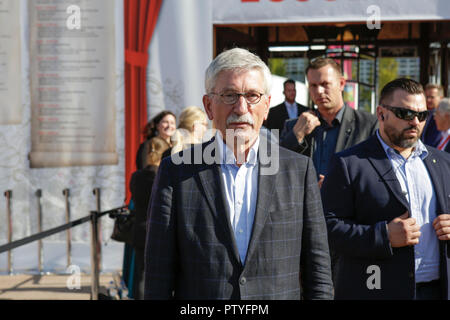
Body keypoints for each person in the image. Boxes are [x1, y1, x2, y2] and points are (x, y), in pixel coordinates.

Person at [144, 47, 333, 300]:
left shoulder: (299, 170)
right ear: (209, 106)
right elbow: (158, 277)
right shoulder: (176, 172)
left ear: (266, 107)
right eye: (230, 95)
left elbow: (318, 271)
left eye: (253, 95)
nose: (241, 107)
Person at [321, 78, 450, 300]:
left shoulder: (443, 162)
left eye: (422, 115)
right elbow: (326, 228)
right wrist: (384, 236)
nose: (416, 122)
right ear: (381, 114)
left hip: (436, 289)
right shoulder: (349, 163)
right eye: (406, 114)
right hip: (376, 290)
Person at [280, 58, 378, 187]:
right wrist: (297, 135)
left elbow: (377, 172)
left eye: (325, 84)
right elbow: (275, 168)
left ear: (341, 84)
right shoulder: (294, 126)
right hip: (305, 205)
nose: (319, 91)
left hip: (349, 204)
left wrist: (337, 182)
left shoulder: (368, 124)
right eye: (313, 85)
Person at [130, 136, 170, 300]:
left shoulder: (136, 176)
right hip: (157, 230)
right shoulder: (162, 177)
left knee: (142, 275)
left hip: (139, 229)